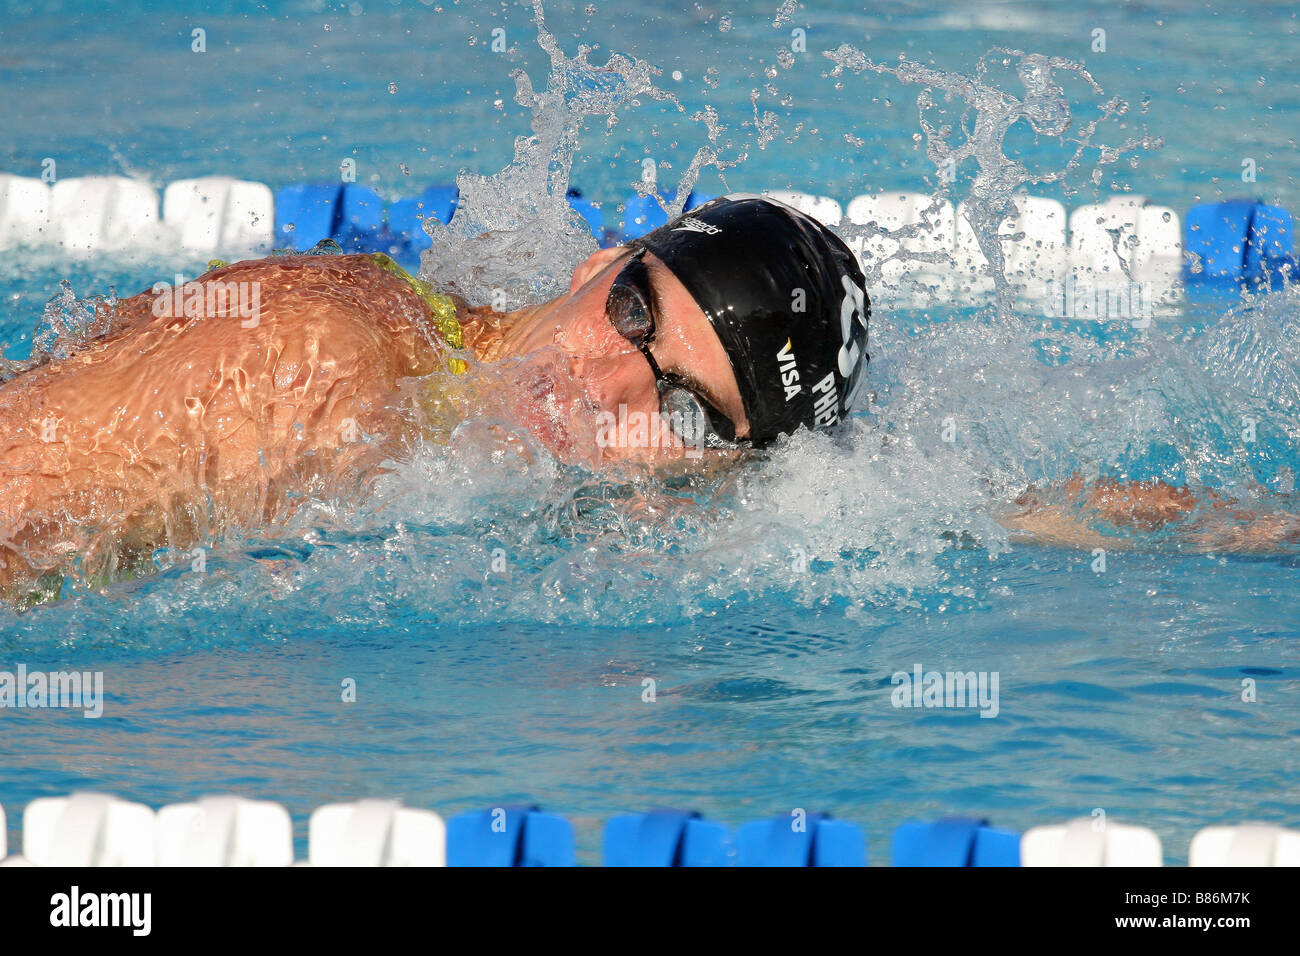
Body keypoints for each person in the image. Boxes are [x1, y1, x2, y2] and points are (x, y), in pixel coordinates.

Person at [0, 194, 1291, 604]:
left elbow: (895, 506)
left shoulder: (501, 455)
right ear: (599, 261)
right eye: (635, 313)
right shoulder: (328, 362)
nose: (606, 381)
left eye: (678, 409)